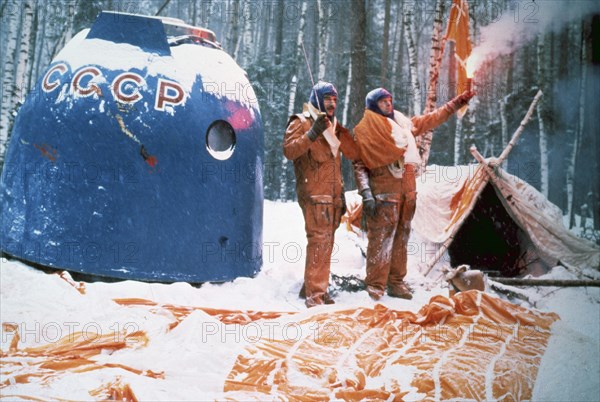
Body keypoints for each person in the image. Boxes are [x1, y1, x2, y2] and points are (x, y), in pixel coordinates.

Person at [353, 87, 474, 300]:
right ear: (373, 105)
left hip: (407, 189)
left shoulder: (403, 125)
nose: (388, 104)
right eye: (383, 102)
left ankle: (396, 282)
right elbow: (360, 164)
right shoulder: (365, 130)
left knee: (402, 237)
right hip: (383, 189)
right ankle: (375, 284)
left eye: (390, 100)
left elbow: (431, 119)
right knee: (381, 238)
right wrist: (366, 192)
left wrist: (457, 103)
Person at [283, 82, 359, 307]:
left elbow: (345, 158)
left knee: (326, 243)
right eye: (328, 99)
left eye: (335, 99)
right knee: (318, 242)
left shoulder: (333, 125)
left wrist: (342, 194)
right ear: (317, 99)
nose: (332, 103)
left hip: (332, 195)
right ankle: (315, 296)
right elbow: (289, 150)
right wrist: (312, 132)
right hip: (314, 194)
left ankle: (315, 287)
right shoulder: (301, 120)